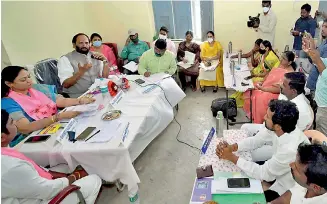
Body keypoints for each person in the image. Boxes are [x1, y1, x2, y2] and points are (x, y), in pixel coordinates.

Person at [216, 100, 310, 202]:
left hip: (290, 190)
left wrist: (232, 158)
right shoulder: (281, 127)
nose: (264, 117)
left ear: (278, 126)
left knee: (243, 199)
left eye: (268, 117)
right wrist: (233, 147)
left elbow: (263, 173)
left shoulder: (289, 149)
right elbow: (256, 140)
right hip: (277, 176)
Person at [1, 109, 102, 204]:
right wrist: (75, 176)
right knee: (94, 179)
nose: (15, 123)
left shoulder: (5, 151)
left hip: (30, 187)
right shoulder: (10, 167)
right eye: (11, 122)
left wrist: (64, 176)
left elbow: (37, 172)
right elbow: (47, 190)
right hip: (41, 199)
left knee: (68, 164)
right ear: (2, 137)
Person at [1, 66, 95, 147]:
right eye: (23, 80)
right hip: (30, 137)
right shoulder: (8, 102)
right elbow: (25, 128)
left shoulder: (35, 88)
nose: (29, 81)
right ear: (9, 83)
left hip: (53, 124)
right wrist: (57, 117)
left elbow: (59, 101)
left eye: (29, 77)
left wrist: (79, 101)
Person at [242, 72, 313, 162]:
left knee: (251, 154)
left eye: (283, 84)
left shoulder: (301, 111)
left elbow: (284, 134)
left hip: (281, 142)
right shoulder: (286, 94)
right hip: (272, 129)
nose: (280, 85)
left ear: (293, 91)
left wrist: (260, 138)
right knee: (245, 128)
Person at [243, 50, 291, 124]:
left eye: (284, 59)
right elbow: (269, 74)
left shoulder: (289, 73)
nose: (281, 59)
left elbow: (280, 89)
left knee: (260, 96)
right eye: (281, 57)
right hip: (267, 85)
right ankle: (252, 115)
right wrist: (262, 82)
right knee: (251, 87)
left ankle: (261, 120)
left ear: (289, 62)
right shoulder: (279, 65)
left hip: (275, 92)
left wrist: (264, 89)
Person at [57, 33, 110, 98]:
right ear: (74, 45)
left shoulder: (96, 55)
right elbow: (66, 84)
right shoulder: (65, 59)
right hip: (78, 96)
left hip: (97, 92)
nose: (84, 45)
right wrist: (81, 72)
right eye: (81, 43)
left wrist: (105, 61)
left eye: (86, 43)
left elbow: (105, 77)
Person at [303, 32, 327, 136]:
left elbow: (324, 73)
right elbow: (321, 62)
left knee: (322, 137)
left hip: (325, 107)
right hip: (322, 103)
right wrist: (311, 50)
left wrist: (316, 58)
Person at [230, 39, 263, 107]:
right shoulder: (254, 51)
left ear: (260, 47)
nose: (255, 47)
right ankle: (239, 92)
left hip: (256, 70)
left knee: (245, 77)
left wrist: (253, 54)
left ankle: (242, 96)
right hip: (254, 69)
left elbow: (254, 64)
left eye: (256, 46)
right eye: (255, 45)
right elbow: (247, 55)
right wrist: (236, 56)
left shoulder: (260, 54)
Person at [306, 19, 327, 96]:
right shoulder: (324, 42)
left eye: (326, 27)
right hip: (313, 82)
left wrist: (312, 48)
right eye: (323, 26)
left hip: (318, 85)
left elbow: (322, 67)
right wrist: (310, 46)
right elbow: (313, 59)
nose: (323, 29)